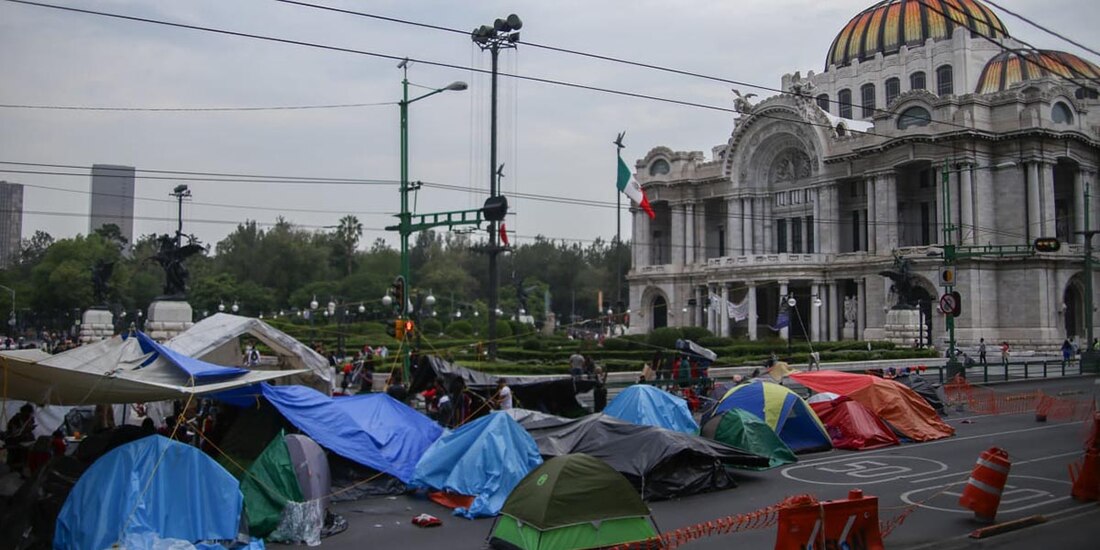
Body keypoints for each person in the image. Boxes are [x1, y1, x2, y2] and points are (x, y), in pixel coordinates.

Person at [5, 403, 36, 471]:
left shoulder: (29, 419)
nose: (29, 415)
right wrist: (24, 430)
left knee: (24, 456)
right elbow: (13, 432)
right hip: (14, 441)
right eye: (27, 414)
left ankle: (20, 469)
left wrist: (29, 429)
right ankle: (11, 470)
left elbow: (27, 428)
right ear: (24, 412)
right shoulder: (16, 419)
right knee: (14, 457)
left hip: (24, 441)